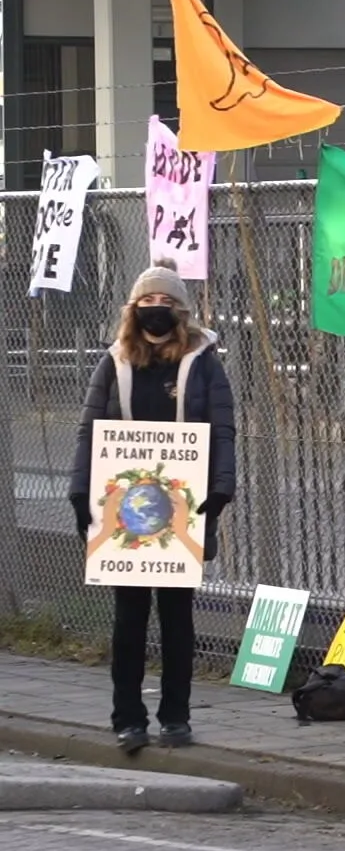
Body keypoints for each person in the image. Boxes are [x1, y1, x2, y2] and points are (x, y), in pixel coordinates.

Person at [69, 260, 235, 753]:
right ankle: (128, 717)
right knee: (129, 618)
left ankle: (176, 716)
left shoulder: (204, 362)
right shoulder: (115, 360)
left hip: (186, 510)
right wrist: (81, 493)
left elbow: (223, 429)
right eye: (147, 302)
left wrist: (221, 490)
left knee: (177, 616)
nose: (156, 310)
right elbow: (89, 429)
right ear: (133, 309)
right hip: (126, 515)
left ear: (180, 310)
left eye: (166, 303)